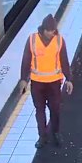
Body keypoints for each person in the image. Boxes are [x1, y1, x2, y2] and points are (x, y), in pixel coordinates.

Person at [20, 14, 74, 148]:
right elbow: (26, 61)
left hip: (54, 83)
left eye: (54, 31)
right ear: (43, 29)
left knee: (55, 110)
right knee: (40, 110)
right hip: (37, 83)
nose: (52, 33)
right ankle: (42, 136)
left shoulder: (59, 41)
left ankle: (55, 133)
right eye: (49, 31)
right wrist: (23, 80)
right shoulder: (32, 40)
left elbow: (64, 61)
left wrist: (69, 79)